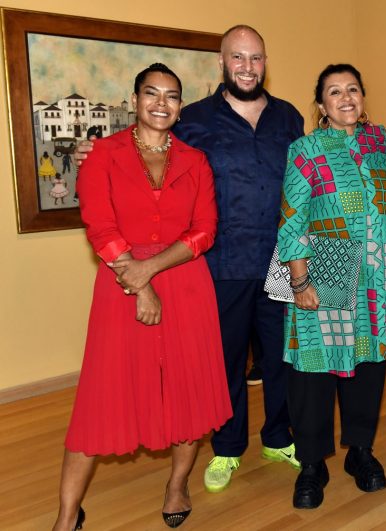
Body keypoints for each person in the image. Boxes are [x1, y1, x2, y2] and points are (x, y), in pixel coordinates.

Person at [75, 25, 304, 493]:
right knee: (225, 359)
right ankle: (228, 447)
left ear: (265, 63)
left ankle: (279, 437)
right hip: (220, 260)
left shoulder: (289, 116)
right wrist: (91, 149)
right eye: (237, 57)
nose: (247, 66)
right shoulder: (194, 117)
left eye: (255, 58)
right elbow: (148, 142)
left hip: (283, 256)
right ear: (222, 63)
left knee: (283, 354)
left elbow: (308, 174)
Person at [53, 63, 231, 531]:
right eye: (151, 93)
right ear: (134, 99)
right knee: (101, 398)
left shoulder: (195, 161)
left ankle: (177, 484)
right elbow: (99, 224)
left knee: (187, 397)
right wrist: (140, 284)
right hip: (120, 285)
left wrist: (149, 271)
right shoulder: (103, 155)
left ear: (180, 105)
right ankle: (67, 516)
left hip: (187, 287)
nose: (161, 103)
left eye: (172, 96)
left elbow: (205, 231)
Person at [278, 63, 386, 509]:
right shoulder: (306, 149)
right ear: (321, 106)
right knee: (314, 372)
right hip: (327, 267)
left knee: (368, 365)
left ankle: (360, 451)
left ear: (363, 97)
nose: (346, 97)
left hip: (377, 273)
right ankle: (313, 462)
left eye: (353, 89)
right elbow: (292, 218)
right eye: (335, 92)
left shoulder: (383, 144)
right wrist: (298, 280)